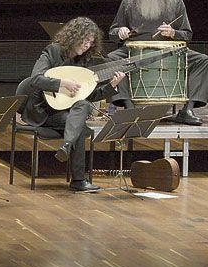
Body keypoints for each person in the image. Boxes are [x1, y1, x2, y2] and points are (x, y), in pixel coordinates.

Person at [16, 17, 126, 193]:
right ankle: (78, 180)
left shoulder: (83, 62)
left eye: (91, 42)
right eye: (85, 40)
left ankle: (67, 146)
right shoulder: (53, 51)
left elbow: (90, 95)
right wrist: (61, 83)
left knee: (83, 105)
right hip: (42, 111)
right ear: (74, 36)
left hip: (66, 113)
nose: (87, 45)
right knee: (80, 126)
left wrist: (112, 86)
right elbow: (36, 78)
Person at [105, 0, 208, 125]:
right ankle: (129, 108)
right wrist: (120, 33)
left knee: (203, 61)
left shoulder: (175, 1)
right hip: (134, 53)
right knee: (110, 60)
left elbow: (187, 35)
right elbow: (112, 32)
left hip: (168, 52)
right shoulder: (128, 2)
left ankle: (187, 109)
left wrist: (173, 33)